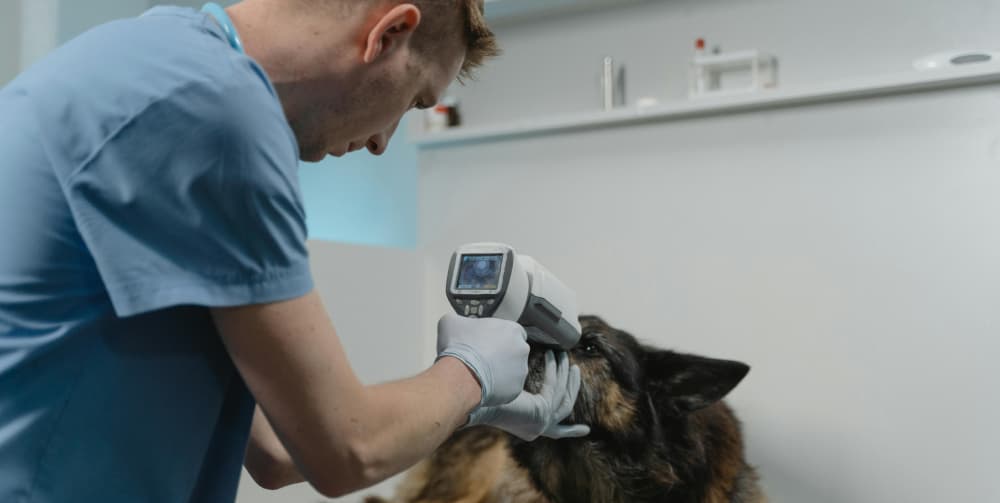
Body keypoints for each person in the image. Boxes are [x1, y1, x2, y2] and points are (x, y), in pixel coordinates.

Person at [0, 0, 588, 501]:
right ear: (389, 33)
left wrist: (468, 407)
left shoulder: (154, 60)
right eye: (414, 101)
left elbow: (281, 449)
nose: (385, 144)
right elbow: (347, 449)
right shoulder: (214, 110)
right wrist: (470, 375)